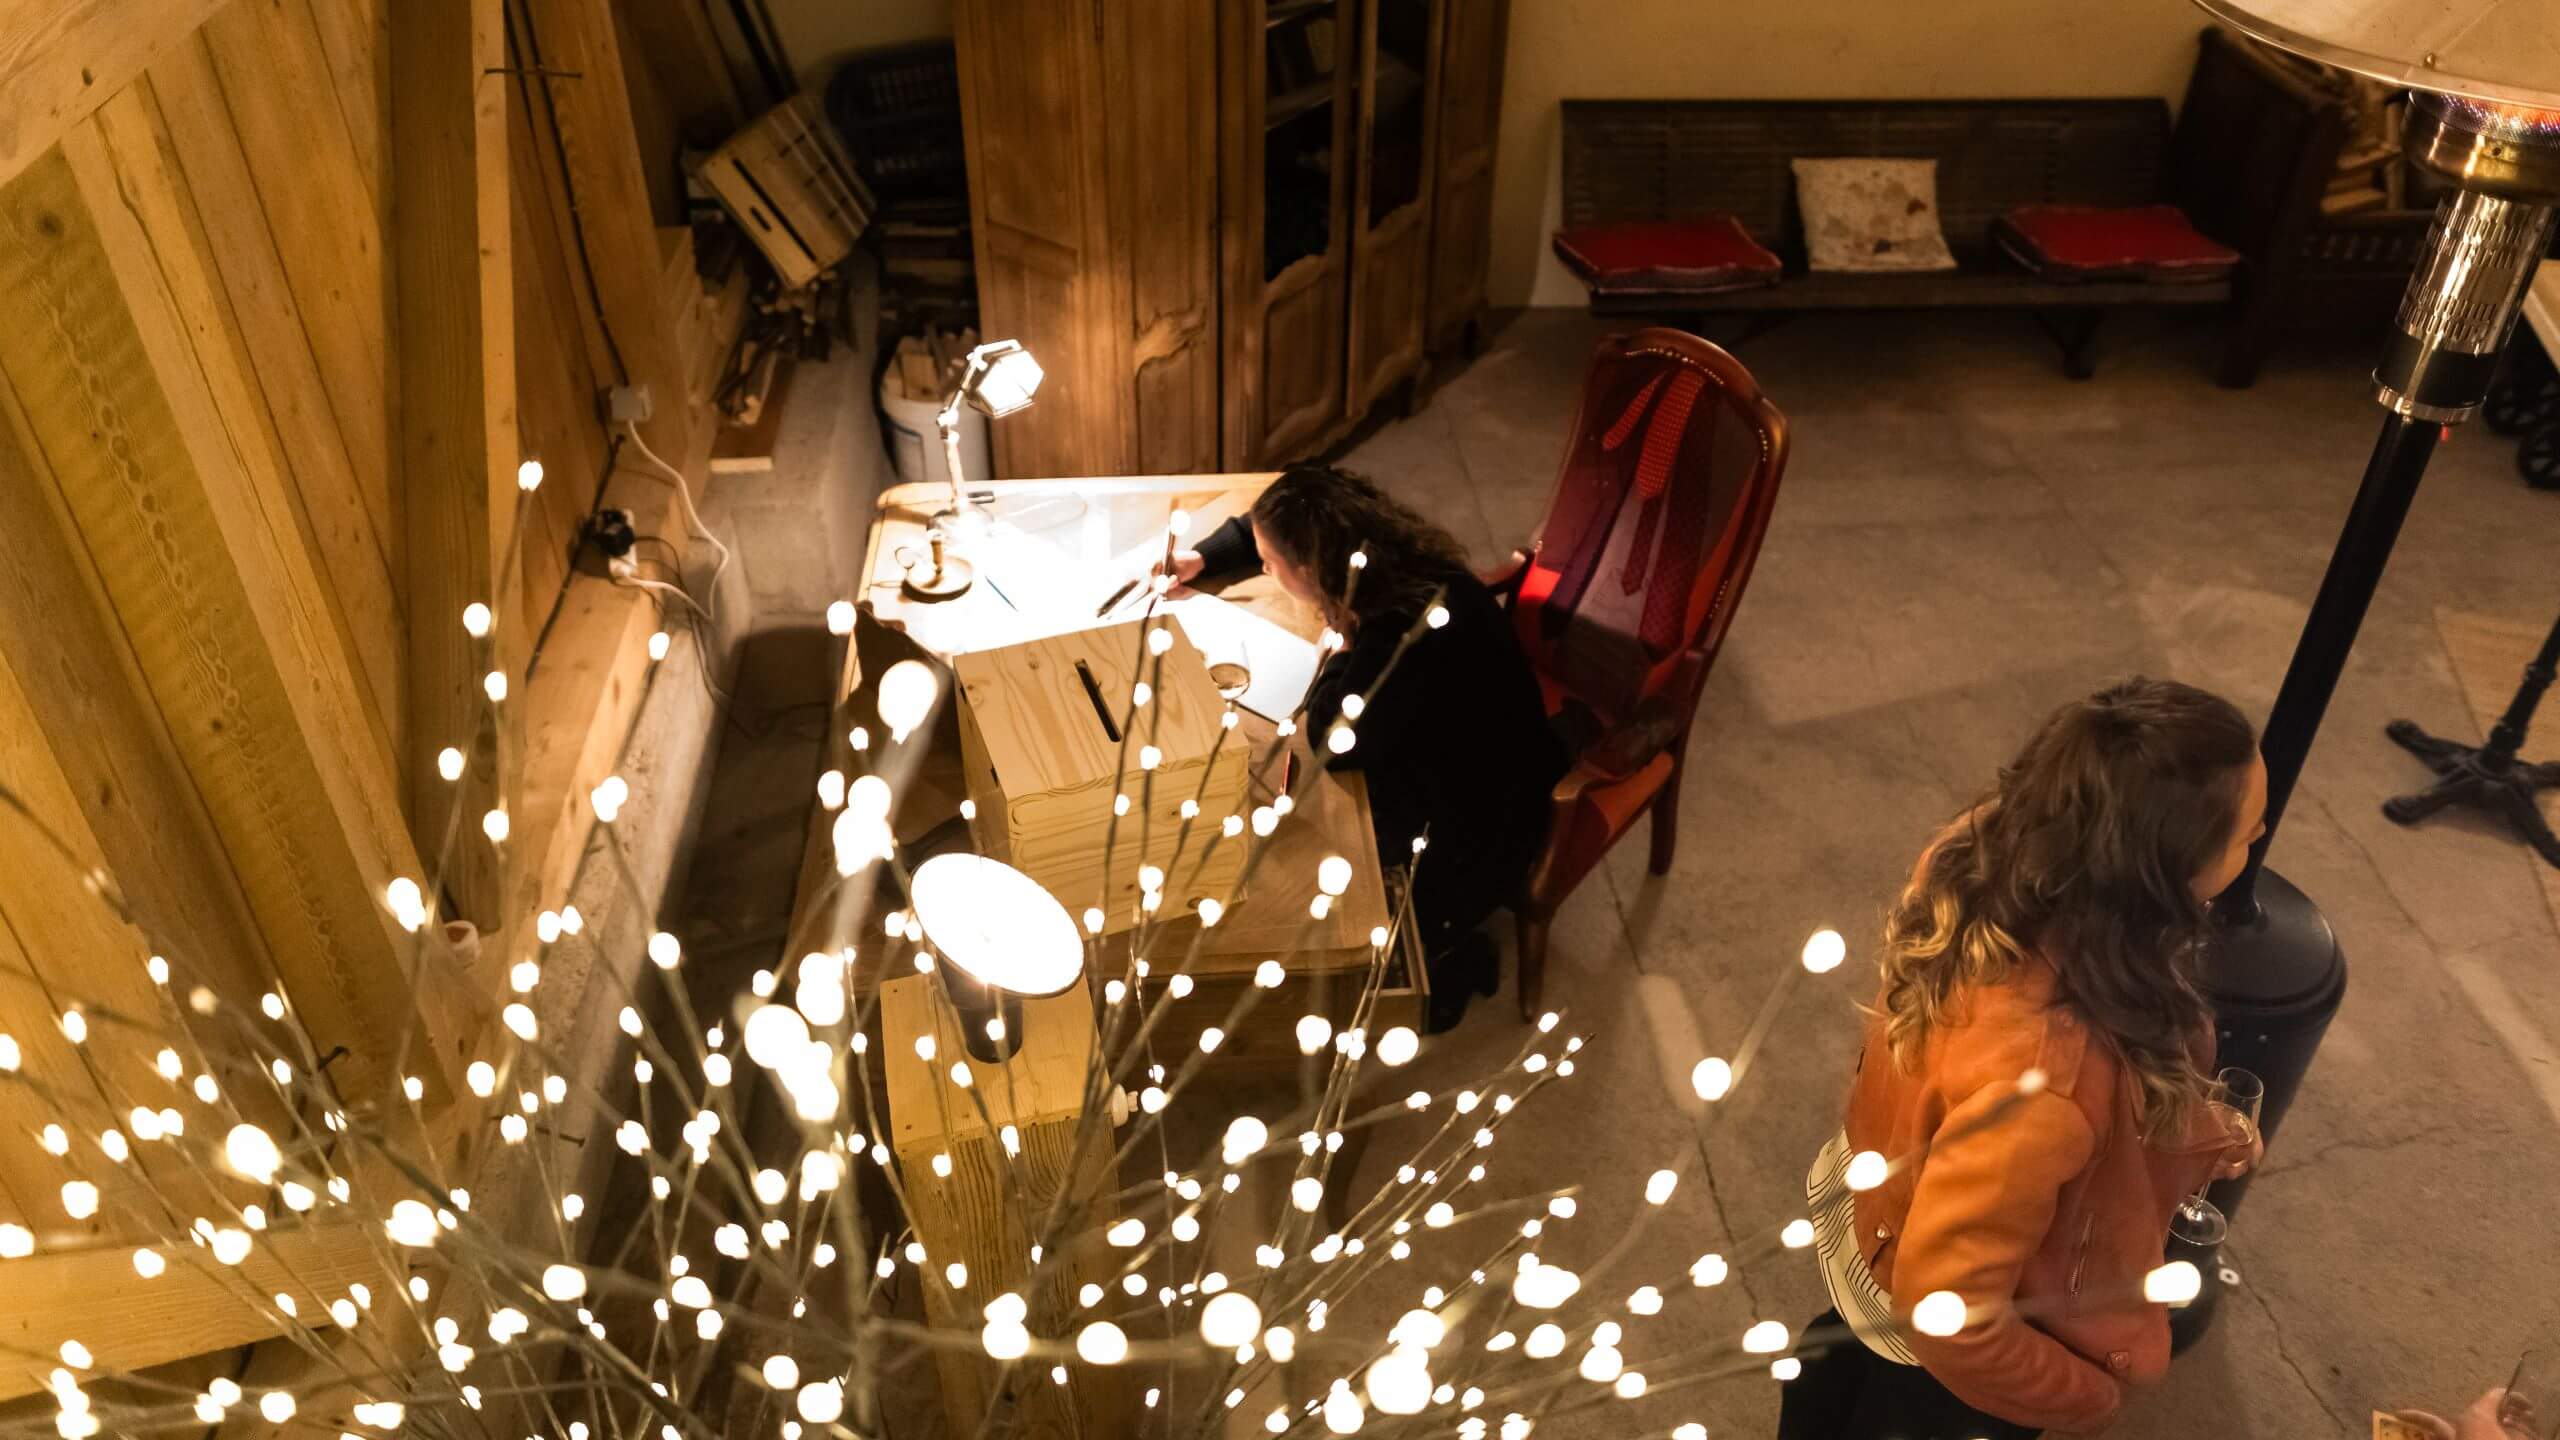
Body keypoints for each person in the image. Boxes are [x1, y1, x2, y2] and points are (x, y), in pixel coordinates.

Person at [1778, 677, 2270, 1439]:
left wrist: (2204, 1131)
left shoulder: (1984, 860)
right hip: (1949, 1347)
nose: (2256, 849)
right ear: (2162, 871)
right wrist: (2084, 1395)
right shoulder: (2046, 1084)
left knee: (1843, 1381)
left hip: (1885, 1210)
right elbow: (1951, 1318)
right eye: (2247, 835)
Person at [1160, 464, 1565, 1030]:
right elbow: (1265, 524)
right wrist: (1207, 556)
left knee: (1305, 859)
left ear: (1310, 569)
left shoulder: (1395, 639)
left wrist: (1340, 649)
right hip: (1490, 747)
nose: (1267, 569)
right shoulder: (1390, 554)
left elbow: (1335, 739)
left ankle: (1452, 963)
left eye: (1272, 565)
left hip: (1479, 827)